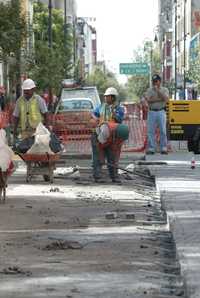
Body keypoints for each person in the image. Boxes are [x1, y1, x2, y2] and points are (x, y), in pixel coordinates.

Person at [90, 87, 127, 183]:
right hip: (99, 134)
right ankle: (97, 176)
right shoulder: (101, 107)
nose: (105, 98)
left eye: (107, 97)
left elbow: (119, 119)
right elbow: (93, 115)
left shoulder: (119, 109)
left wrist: (113, 112)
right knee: (97, 156)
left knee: (112, 157)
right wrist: (94, 119)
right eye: (105, 96)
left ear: (113, 98)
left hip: (112, 136)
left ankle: (114, 176)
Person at [145, 74, 169, 155]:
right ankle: (152, 148)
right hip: (152, 111)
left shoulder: (165, 89)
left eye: (156, 81)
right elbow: (148, 100)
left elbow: (166, 99)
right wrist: (159, 99)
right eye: (153, 81)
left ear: (160, 81)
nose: (154, 83)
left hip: (161, 111)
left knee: (163, 130)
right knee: (151, 131)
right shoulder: (149, 90)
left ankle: (163, 147)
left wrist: (158, 91)